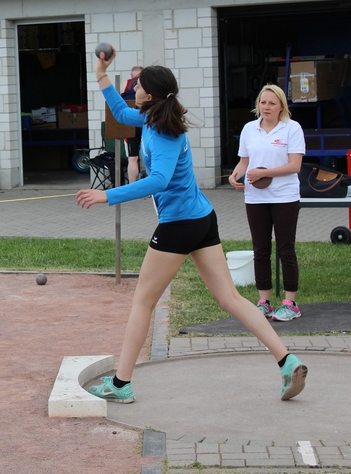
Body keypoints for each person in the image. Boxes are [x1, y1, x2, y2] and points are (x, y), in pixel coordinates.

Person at [75, 47, 307, 404]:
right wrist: (101, 73)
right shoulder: (153, 117)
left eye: (138, 85)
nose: (134, 89)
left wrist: (108, 195)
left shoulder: (161, 132)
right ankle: (286, 361)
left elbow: (159, 180)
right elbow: (120, 112)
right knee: (230, 298)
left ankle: (121, 384)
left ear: (150, 94)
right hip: (201, 219)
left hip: (179, 225)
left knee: (142, 303)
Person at [229, 85, 305, 322]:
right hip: (255, 197)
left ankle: (290, 304)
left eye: (272, 103)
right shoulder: (249, 129)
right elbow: (244, 162)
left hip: (285, 197)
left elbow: (295, 165)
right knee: (260, 250)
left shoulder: (292, 128)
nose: (266, 107)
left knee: (286, 249)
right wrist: (235, 175)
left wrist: (264, 173)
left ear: (281, 106)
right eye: (263, 102)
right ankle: (264, 302)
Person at [121, 66, 144, 183]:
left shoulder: (126, 84)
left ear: (131, 75)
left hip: (132, 123)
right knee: (152, 156)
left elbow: (117, 103)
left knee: (133, 158)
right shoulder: (148, 84)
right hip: (145, 122)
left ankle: (132, 186)